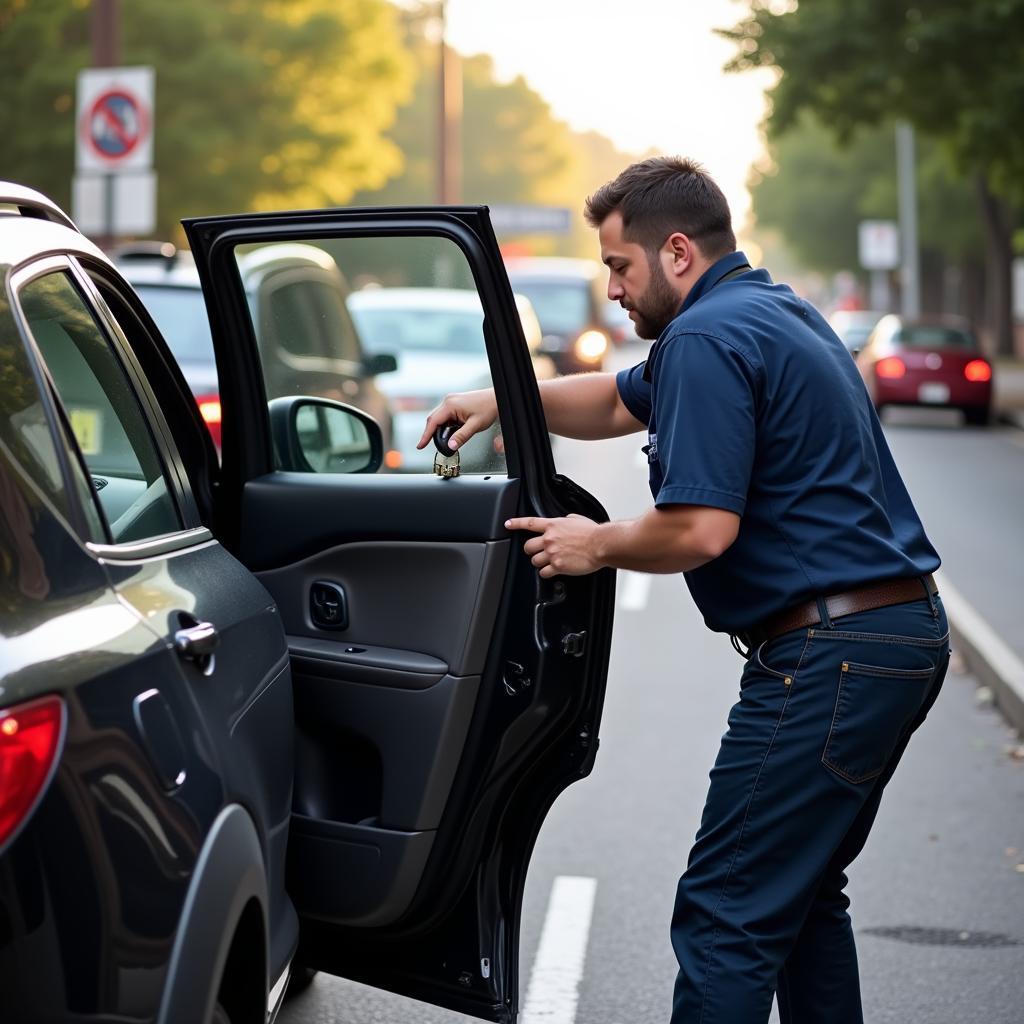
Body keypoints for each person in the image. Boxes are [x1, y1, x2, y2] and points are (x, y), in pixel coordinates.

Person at [418, 156, 949, 1023]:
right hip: (891, 640)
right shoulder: (764, 312)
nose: (614, 289)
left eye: (619, 267)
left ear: (675, 253)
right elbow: (621, 403)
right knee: (803, 898)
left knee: (726, 912)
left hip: (830, 658)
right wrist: (503, 399)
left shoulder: (705, 337)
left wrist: (596, 545)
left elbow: (702, 529)